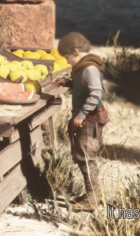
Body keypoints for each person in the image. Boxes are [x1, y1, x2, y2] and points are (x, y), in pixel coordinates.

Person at [53, 32, 108, 211]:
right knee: (85, 157)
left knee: (86, 157)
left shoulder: (89, 68)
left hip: (89, 119)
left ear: (76, 51)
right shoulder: (84, 67)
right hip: (87, 118)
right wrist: (67, 83)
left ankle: (92, 200)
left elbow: (95, 94)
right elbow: (82, 85)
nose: (67, 61)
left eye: (67, 57)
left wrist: (81, 115)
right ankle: (92, 194)